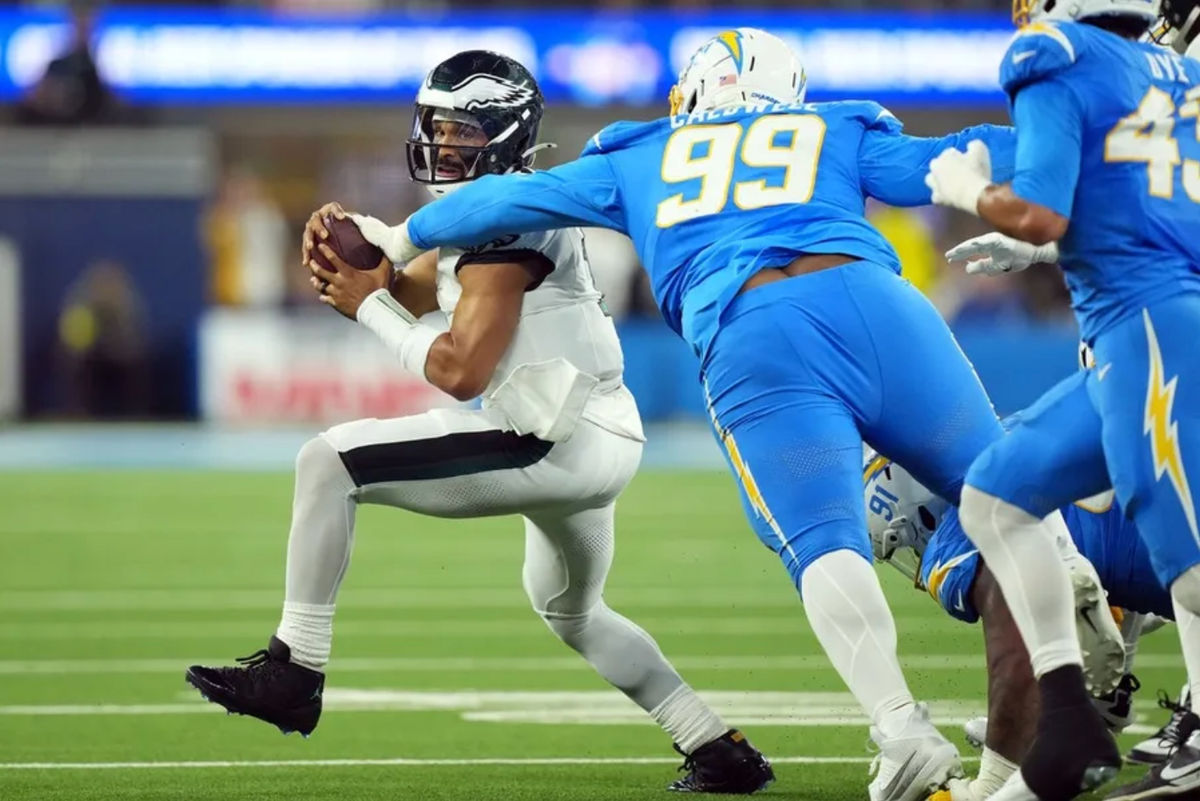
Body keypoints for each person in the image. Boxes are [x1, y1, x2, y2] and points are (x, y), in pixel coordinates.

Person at [334, 27, 1124, 801]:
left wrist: (399, 238)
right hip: (881, 307)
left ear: (699, 90)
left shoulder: (640, 151)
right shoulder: (833, 126)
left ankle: (902, 731)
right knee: (1002, 496)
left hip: (755, 328)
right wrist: (1105, 137)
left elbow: (506, 196)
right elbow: (956, 161)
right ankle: (1065, 646)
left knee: (823, 539)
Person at [184, 50, 773, 794]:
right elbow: (409, 284)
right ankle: (716, 745)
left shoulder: (511, 218)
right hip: (589, 432)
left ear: (505, 134)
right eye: (437, 125)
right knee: (573, 610)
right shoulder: (491, 211)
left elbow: (459, 367)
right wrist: (352, 258)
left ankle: (294, 668)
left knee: (329, 461)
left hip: (554, 436)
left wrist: (366, 305)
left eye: (462, 129)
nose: (444, 142)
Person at [924, 0, 1200, 796]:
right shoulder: (1173, 68)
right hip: (1137, 324)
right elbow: (1120, 202)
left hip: (1150, 323)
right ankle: (1070, 710)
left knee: (1187, 556)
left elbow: (1044, 205)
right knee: (997, 495)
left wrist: (973, 190)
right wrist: (1039, 239)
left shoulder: (1054, 50)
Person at [864, 451, 1173, 801]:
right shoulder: (1010, 450)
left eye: (904, 542)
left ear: (918, 515)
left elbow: (1016, 651)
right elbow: (1100, 575)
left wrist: (994, 779)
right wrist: (1094, 703)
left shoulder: (964, 521)